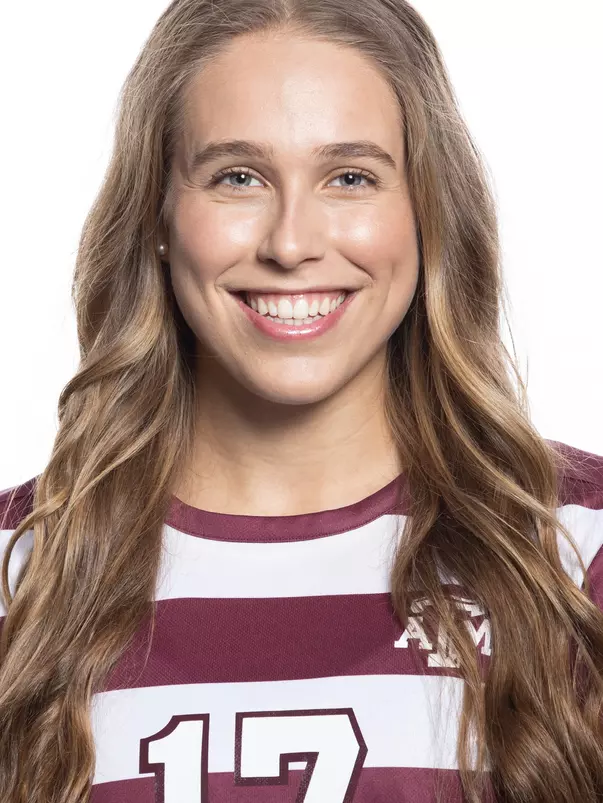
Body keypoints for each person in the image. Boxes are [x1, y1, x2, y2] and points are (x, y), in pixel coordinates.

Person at [1, 0, 602, 801]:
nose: (290, 243)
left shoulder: (575, 554)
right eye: (236, 177)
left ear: (426, 211)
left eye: (349, 177)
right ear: (157, 213)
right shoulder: (21, 576)